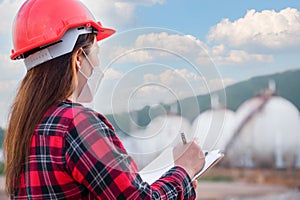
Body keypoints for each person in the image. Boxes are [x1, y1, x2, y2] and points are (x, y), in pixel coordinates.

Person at [4, 0, 205, 199]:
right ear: (78, 58)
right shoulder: (76, 123)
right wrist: (184, 169)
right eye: (96, 52)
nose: (98, 63)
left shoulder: (22, 127)